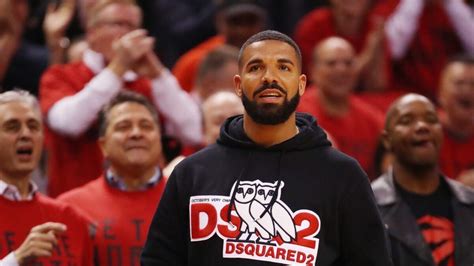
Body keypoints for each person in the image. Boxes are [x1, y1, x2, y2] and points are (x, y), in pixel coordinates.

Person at [141, 30, 392, 265]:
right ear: (238, 85)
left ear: (302, 84)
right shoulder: (192, 173)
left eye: (283, 67)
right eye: (256, 67)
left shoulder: (343, 175)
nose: (269, 77)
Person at [39, 0, 201, 197]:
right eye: (117, 24)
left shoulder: (147, 83)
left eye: (133, 27)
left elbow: (193, 131)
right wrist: (118, 68)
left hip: (144, 204)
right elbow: (68, 123)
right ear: (92, 34)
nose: (127, 35)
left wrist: (158, 74)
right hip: (76, 204)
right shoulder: (60, 76)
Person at [57, 91, 167, 265]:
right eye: (123, 127)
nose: (136, 133)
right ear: (103, 145)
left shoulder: (187, 200)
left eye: (146, 126)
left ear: (160, 140)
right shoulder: (70, 207)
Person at [371, 93, 474, 266]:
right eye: (406, 121)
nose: (422, 126)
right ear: (387, 140)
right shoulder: (366, 206)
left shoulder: (470, 203)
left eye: (431, 119)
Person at [0, 90, 93, 265]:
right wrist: (16, 259)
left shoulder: (69, 218)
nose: (26, 134)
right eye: (12, 127)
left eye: (33, 126)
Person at [297, 37, 385, 179]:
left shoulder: (372, 118)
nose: (341, 70)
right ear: (313, 70)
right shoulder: (295, 111)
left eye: (348, 63)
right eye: (331, 63)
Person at [382, 0, 474, 101]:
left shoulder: (454, 8)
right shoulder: (395, 6)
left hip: (447, 98)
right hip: (407, 97)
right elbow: (394, 50)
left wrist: (451, 3)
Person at [172, 0, 267, 92]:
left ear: (262, 23)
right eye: (235, 22)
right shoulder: (194, 63)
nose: (242, 30)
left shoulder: (275, 60)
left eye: (250, 21)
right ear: (219, 21)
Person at [437, 55, 474, 186]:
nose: (468, 91)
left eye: (473, 84)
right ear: (440, 93)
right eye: (460, 83)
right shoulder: (421, 133)